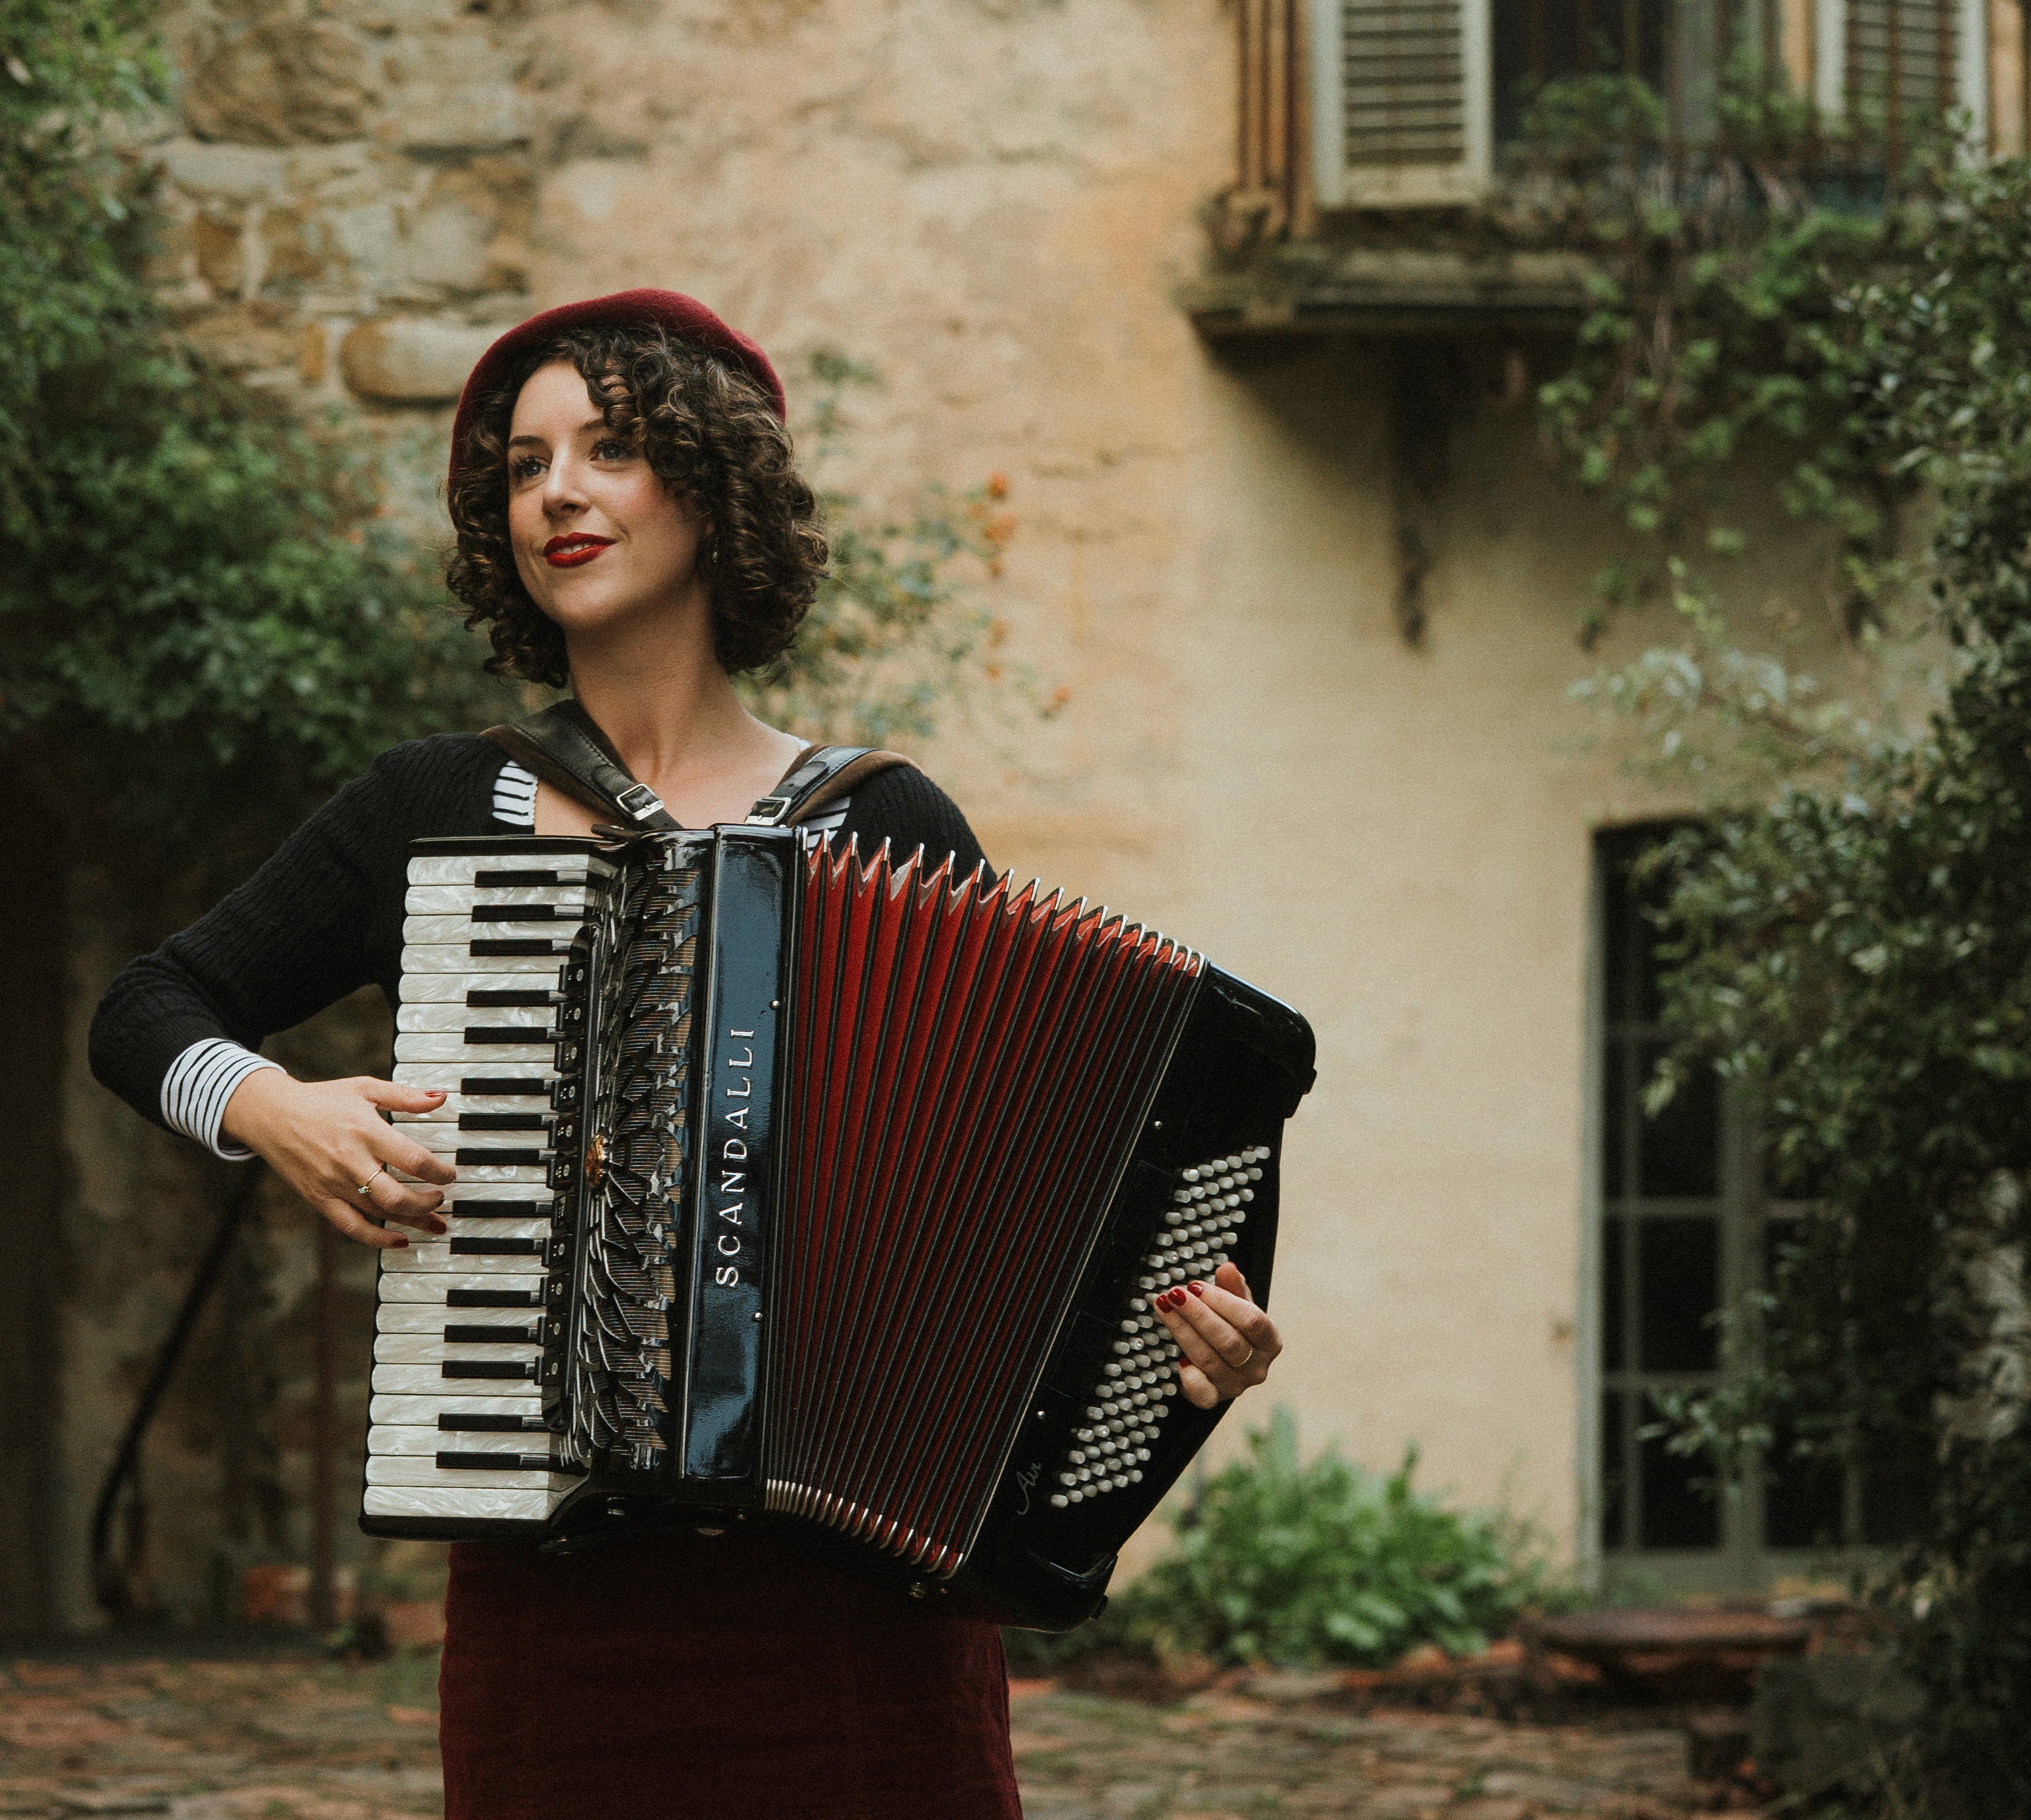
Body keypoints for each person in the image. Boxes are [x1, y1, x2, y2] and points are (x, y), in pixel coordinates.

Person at [88, 289, 1285, 1819]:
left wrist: (1180, 1355)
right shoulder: (442, 807)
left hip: (858, 1622)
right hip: (557, 1611)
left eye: (612, 449)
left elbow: (1034, 1219)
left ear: (713, 491)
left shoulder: (882, 820)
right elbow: (147, 1006)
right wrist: (269, 1104)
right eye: (525, 466)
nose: (559, 494)